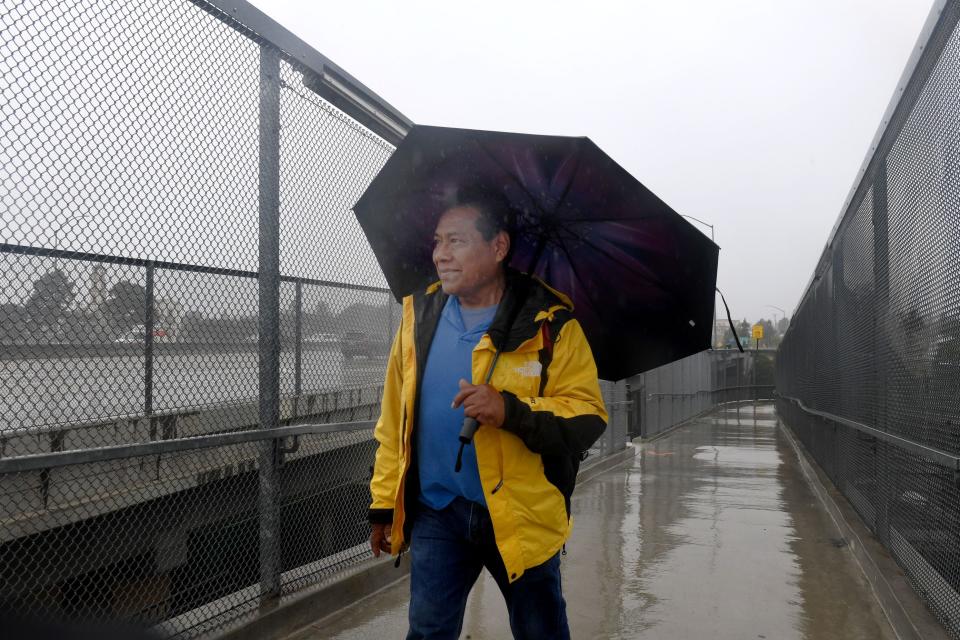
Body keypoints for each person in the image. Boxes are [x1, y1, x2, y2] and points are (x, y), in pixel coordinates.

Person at [367, 185, 607, 640]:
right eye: (437, 241)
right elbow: (393, 420)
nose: (440, 254)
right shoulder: (419, 316)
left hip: (520, 515)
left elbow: (588, 416)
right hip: (437, 509)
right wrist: (383, 503)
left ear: (498, 247)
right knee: (427, 632)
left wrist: (509, 411)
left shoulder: (551, 324)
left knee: (541, 631)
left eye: (456, 241)